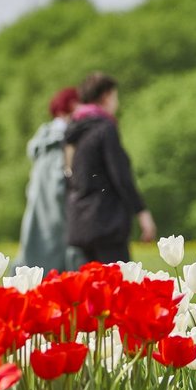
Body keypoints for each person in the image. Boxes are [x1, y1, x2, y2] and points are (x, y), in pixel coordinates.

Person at [64, 72, 156, 266]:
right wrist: (142, 212)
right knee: (118, 288)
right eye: (115, 96)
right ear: (106, 96)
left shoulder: (75, 130)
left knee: (92, 289)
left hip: (80, 222)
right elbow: (120, 175)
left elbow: (69, 176)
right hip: (106, 223)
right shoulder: (105, 128)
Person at [15, 86, 80, 273]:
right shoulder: (63, 138)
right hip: (56, 208)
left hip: (37, 204)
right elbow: (60, 179)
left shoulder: (43, 137)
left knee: (33, 250)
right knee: (56, 255)